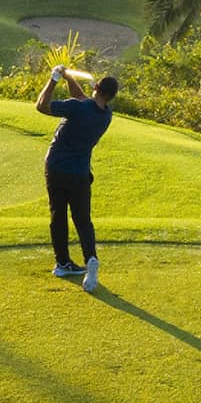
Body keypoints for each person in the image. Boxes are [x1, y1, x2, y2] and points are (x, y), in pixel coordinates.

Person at [35, 65, 119, 292]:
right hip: (80, 174)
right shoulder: (106, 114)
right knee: (83, 220)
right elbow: (81, 97)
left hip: (56, 168)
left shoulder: (77, 108)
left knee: (58, 215)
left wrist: (53, 79)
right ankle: (90, 257)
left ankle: (62, 263)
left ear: (96, 88)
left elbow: (41, 106)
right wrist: (69, 76)